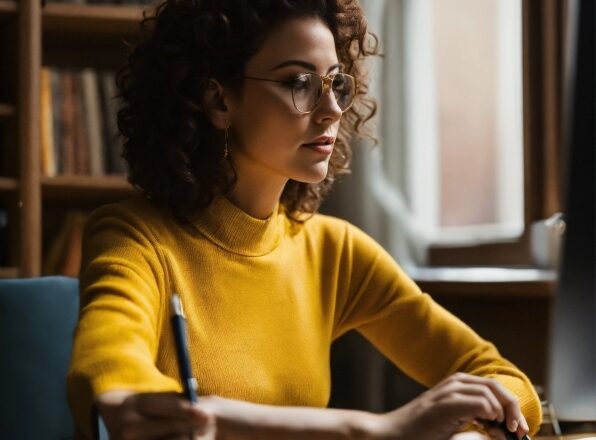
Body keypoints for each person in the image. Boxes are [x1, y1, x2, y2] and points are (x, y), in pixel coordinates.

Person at [67, 0, 542, 439]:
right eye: (298, 83)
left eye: (335, 82)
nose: (332, 109)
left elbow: (506, 382)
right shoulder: (136, 239)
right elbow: (121, 396)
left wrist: (466, 435)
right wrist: (374, 432)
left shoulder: (334, 251)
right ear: (218, 101)